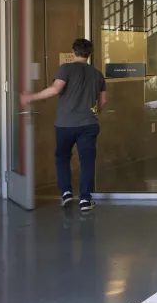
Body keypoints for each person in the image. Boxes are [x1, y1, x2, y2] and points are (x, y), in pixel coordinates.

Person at [20, 38, 106, 212]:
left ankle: (66, 193)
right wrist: (93, 113)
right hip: (88, 124)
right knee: (87, 162)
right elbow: (103, 100)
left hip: (65, 124)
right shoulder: (97, 74)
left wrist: (31, 97)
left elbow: (56, 89)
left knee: (62, 158)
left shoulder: (66, 68)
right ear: (90, 54)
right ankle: (85, 200)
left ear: (73, 52)